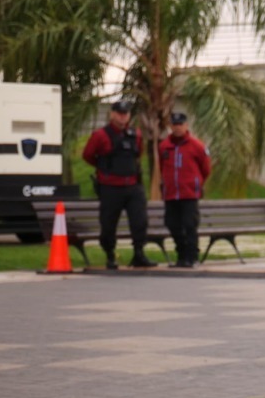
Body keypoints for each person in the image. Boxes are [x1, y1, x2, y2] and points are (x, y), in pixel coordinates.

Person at [82, 99, 154, 270]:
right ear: (112, 114)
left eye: (126, 114)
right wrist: (105, 169)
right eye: (120, 114)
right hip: (111, 187)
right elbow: (88, 155)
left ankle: (139, 254)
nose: (123, 118)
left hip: (133, 186)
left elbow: (139, 154)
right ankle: (110, 256)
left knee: (140, 221)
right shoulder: (101, 135)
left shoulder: (135, 134)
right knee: (108, 224)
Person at [158, 111, 211, 268]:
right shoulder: (164, 146)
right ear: (170, 126)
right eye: (174, 125)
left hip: (189, 193)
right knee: (172, 224)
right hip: (172, 194)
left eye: (180, 124)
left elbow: (206, 168)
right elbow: (162, 167)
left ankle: (192, 256)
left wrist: (196, 182)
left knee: (189, 224)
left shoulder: (197, 145)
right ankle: (181, 255)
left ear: (186, 125)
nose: (178, 128)